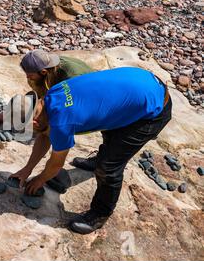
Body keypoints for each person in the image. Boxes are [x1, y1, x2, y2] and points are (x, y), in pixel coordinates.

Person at [10, 67, 172, 234]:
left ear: (35, 123)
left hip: (153, 110)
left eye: (29, 129)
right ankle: (101, 158)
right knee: (108, 125)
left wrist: (40, 179)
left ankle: (100, 214)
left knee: (108, 168)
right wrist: (27, 169)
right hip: (142, 82)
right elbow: (44, 135)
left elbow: (56, 164)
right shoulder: (53, 93)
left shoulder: (61, 123)